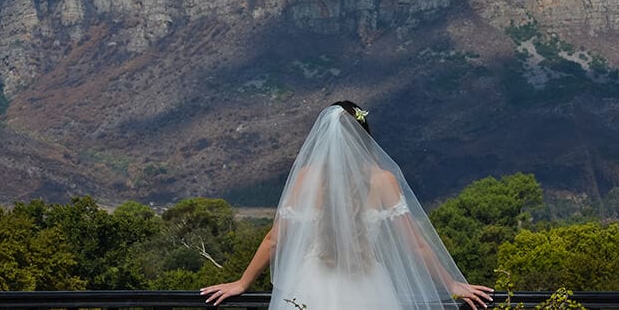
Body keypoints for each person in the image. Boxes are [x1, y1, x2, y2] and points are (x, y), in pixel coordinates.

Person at [200, 100, 494, 309]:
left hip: (311, 287)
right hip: (370, 288)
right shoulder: (383, 181)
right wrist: (452, 284)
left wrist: (242, 282)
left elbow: (274, 239)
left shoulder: (306, 178)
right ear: (366, 138)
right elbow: (415, 245)